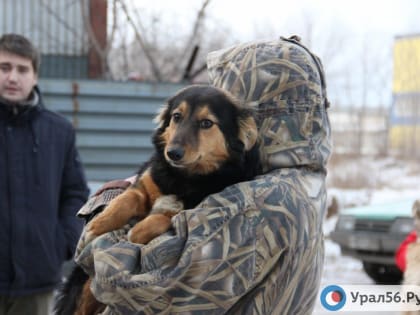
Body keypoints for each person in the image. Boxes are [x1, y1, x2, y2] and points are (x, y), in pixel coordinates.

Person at [74, 36, 331, 314]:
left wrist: (101, 216)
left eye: (226, 89)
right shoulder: (305, 182)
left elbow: (128, 282)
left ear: (252, 116)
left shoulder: (252, 205)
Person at [0, 33, 89, 315]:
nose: (13, 77)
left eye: (22, 69)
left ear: (35, 76)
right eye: (4, 67)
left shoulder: (58, 131)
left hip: (37, 279)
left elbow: (75, 193)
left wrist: (62, 243)